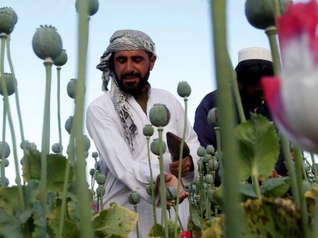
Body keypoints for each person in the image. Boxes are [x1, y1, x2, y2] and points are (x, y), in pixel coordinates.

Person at [86, 29, 201, 237]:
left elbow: (193, 142)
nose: (129, 68)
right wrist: (159, 179)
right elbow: (122, 165)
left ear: (152, 62)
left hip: (175, 216)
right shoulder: (101, 108)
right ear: (112, 63)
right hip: (124, 220)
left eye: (137, 59)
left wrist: (190, 162)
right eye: (121, 60)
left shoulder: (169, 100)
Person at [193, 47, 286, 181]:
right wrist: (247, 175)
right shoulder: (213, 104)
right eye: (258, 92)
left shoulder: (278, 109)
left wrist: (278, 179)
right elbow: (203, 156)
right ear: (239, 84)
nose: (265, 98)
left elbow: (287, 157)